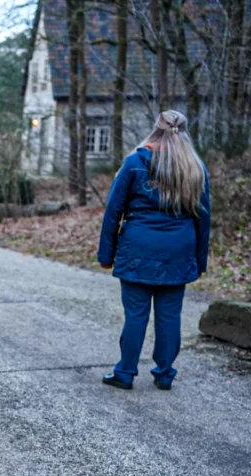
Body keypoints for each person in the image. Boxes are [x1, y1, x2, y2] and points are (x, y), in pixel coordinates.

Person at [97, 110, 211, 391]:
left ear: (156, 129)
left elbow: (113, 210)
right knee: (170, 316)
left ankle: (125, 372)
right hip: (179, 250)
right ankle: (164, 373)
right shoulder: (195, 166)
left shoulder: (135, 162)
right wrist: (199, 259)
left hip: (139, 247)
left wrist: (106, 254)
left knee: (136, 314)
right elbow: (204, 217)